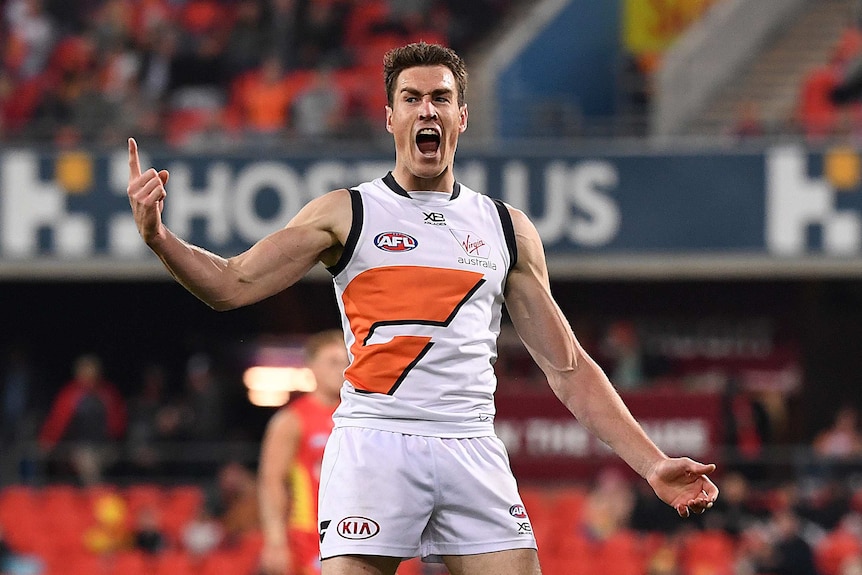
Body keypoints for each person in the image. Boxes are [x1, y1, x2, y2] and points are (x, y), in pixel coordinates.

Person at [127, 41, 718, 575]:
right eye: (411, 99)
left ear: (462, 115)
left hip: (471, 444)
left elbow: (569, 370)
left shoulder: (506, 230)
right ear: (391, 117)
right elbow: (231, 284)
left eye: (441, 98)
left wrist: (651, 463)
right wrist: (160, 239)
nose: (427, 111)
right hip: (375, 442)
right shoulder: (346, 214)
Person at [257, 329, 348, 575]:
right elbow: (272, 481)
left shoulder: (359, 418)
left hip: (357, 532)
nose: (341, 369)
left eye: (347, 362)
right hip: (309, 535)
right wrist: (275, 541)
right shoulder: (292, 420)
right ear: (312, 366)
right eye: (333, 362)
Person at [38, 353, 127, 485]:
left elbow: (120, 423)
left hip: (106, 447)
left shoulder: (108, 393)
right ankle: (96, 495)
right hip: (75, 448)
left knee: (96, 459)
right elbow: (57, 422)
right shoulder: (69, 394)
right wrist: (47, 441)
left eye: (92, 371)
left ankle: (97, 495)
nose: (89, 376)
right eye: (85, 371)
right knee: (86, 459)